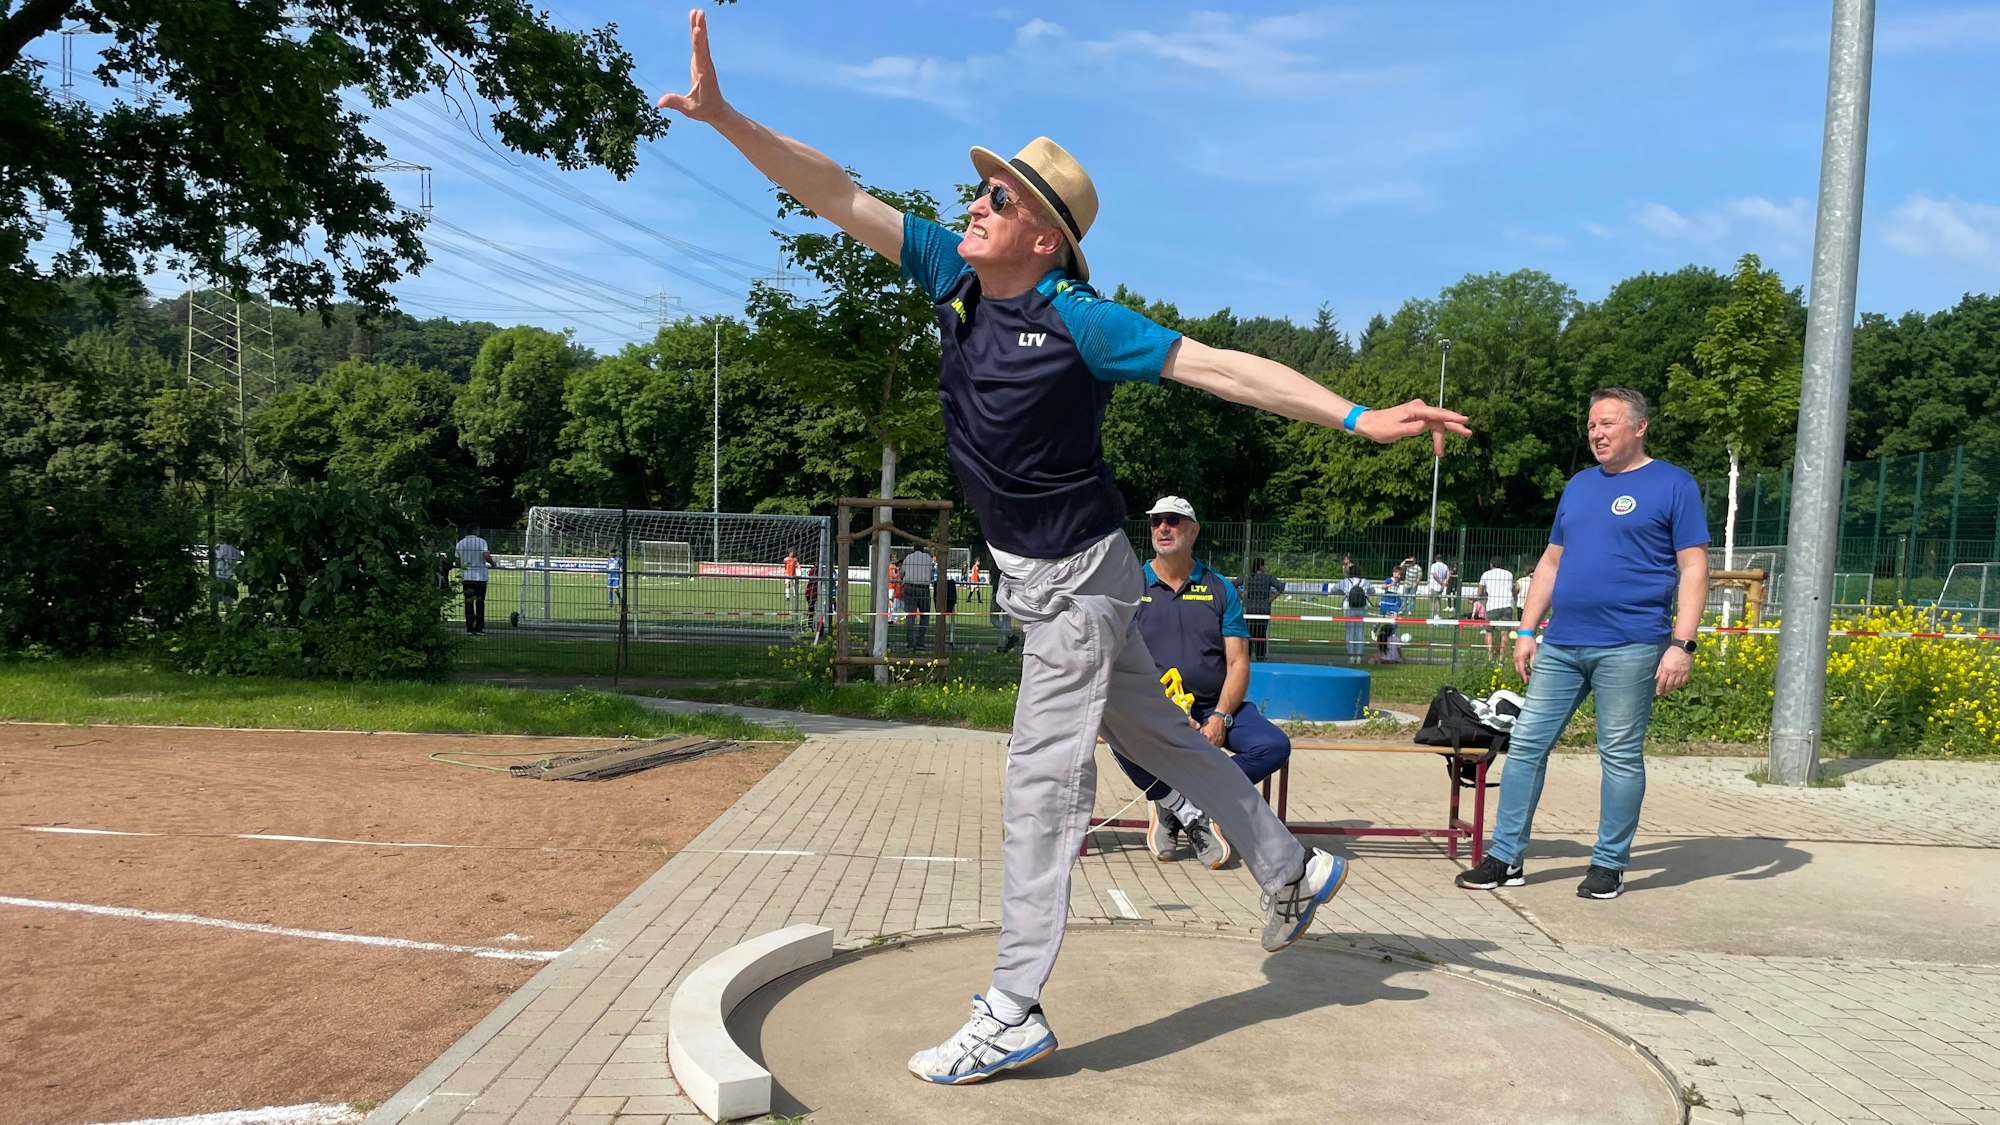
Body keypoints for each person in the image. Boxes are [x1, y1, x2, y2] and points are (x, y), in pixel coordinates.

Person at [656, 9, 1470, 1084]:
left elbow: (1220, 367)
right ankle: (1289, 867)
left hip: (1079, 578)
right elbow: (835, 193)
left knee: (1042, 780)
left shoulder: (1080, 317)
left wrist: (1358, 417)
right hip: (1057, 574)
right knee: (1168, 743)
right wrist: (724, 117)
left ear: (1045, 236)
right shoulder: (950, 272)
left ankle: (1013, 1007)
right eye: (979, 190)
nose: (973, 204)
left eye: (998, 197)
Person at [1455, 388, 1708, 902]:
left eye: (1608, 423)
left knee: (1619, 754)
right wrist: (1526, 631)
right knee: (1527, 745)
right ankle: (1506, 857)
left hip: (1632, 644)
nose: (1597, 433)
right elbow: (1551, 562)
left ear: (1640, 426)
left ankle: (1609, 864)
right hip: (1563, 642)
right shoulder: (1579, 485)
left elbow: (1694, 567)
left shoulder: (1674, 484)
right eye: (1592, 425)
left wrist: (1682, 643)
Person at [1116, 498, 1294, 870]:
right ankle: (1180, 805)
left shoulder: (1220, 588)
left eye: (1173, 520)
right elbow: (1116, 659)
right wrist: (1166, 712)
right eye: (1156, 521)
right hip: (1156, 708)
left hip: (1215, 705)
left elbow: (1238, 662)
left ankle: (1185, 803)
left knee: (1273, 746)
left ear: (1194, 530)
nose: (1163, 528)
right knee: (1119, 736)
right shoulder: (1131, 584)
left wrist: (1220, 718)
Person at [453, 524, 494, 635]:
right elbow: (486, 556)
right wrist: (493, 563)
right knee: (480, 602)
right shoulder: (481, 542)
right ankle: (479, 627)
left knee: (468, 603)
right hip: (480, 577)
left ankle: (469, 628)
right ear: (475, 531)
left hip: (467, 577)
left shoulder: (460, 543)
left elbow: (457, 562)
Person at [1240, 557, 1283, 661]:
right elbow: (1281, 587)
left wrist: (1243, 597)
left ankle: (1248, 656)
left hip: (1250, 609)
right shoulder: (1268, 577)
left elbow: (1233, 584)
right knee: (1261, 634)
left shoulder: (1248, 576)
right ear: (1261, 566)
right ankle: (1260, 657)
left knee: (1249, 633)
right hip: (1263, 609)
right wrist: (1271, 598)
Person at [1478, 555, 1517, 660]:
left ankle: (1490, 655)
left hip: (1492, 604)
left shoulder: (1486, 574)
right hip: (1507, 604)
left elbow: (1480, 592)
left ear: (1491, 565)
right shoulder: (1509, 574)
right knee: (1505, 631)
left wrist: (1486, 594)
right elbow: (1512, 589)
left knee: (1489, 631)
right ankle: (1502, 657)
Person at [903, 544, 936, 649]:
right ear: (923, 550)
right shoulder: (927, 558)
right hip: (923, 588)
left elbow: (902, 572)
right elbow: (931, 572)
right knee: (925, 615)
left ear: (913, 550)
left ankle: (910, 642)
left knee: (910, 616)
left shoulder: (908, 557)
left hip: (909, 587)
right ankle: (920, 641)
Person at [1338, 563, 1370, 662]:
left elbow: (1333, 589)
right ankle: (1359, 655)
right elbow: (1373, 590)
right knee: (1360, 631)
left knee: (1350, 631)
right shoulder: (1365, 581)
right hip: (1362, 608)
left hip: (1349, 608)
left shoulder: (1345, 582)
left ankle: (1351, 655)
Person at [212, 541, 242, 609]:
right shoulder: (230, 546)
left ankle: (225, 608)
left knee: (223, 593)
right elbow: (238, 556)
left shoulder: (218, 546)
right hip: (226, 573)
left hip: (221, 573)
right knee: (226, 593)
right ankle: (227, 608)